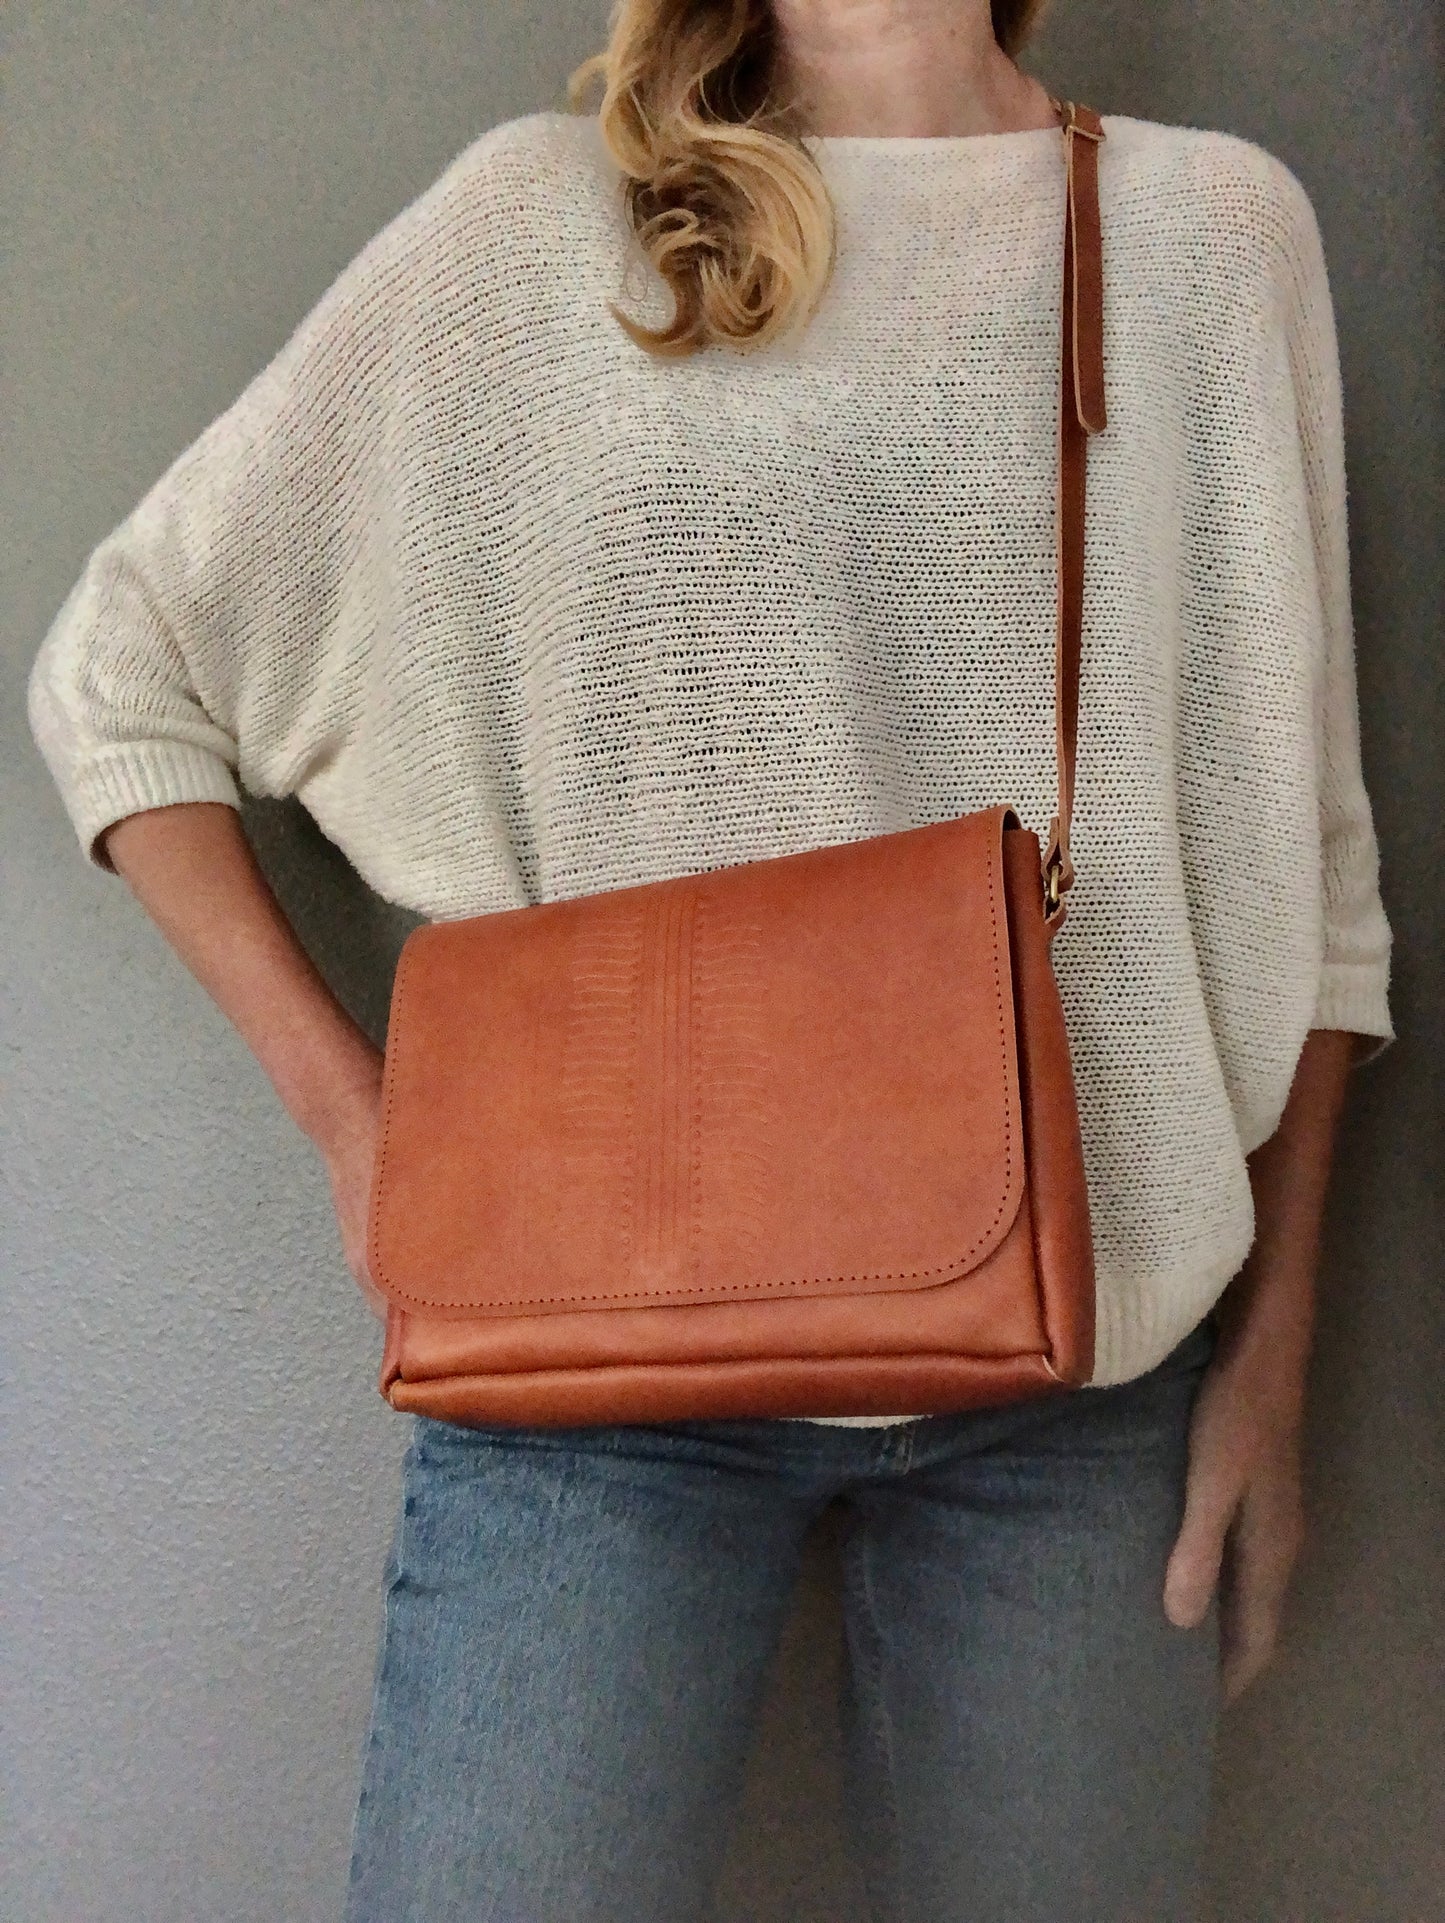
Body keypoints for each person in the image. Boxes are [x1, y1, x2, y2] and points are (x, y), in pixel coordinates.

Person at [26, 0, 1395, 1915]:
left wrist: (1273, 1365)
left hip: (1086, 1391)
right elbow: (121, 670)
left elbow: (1309, 870)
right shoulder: (539, 224)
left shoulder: (1208, 231)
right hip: (597, 1376)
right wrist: (365, 1133)